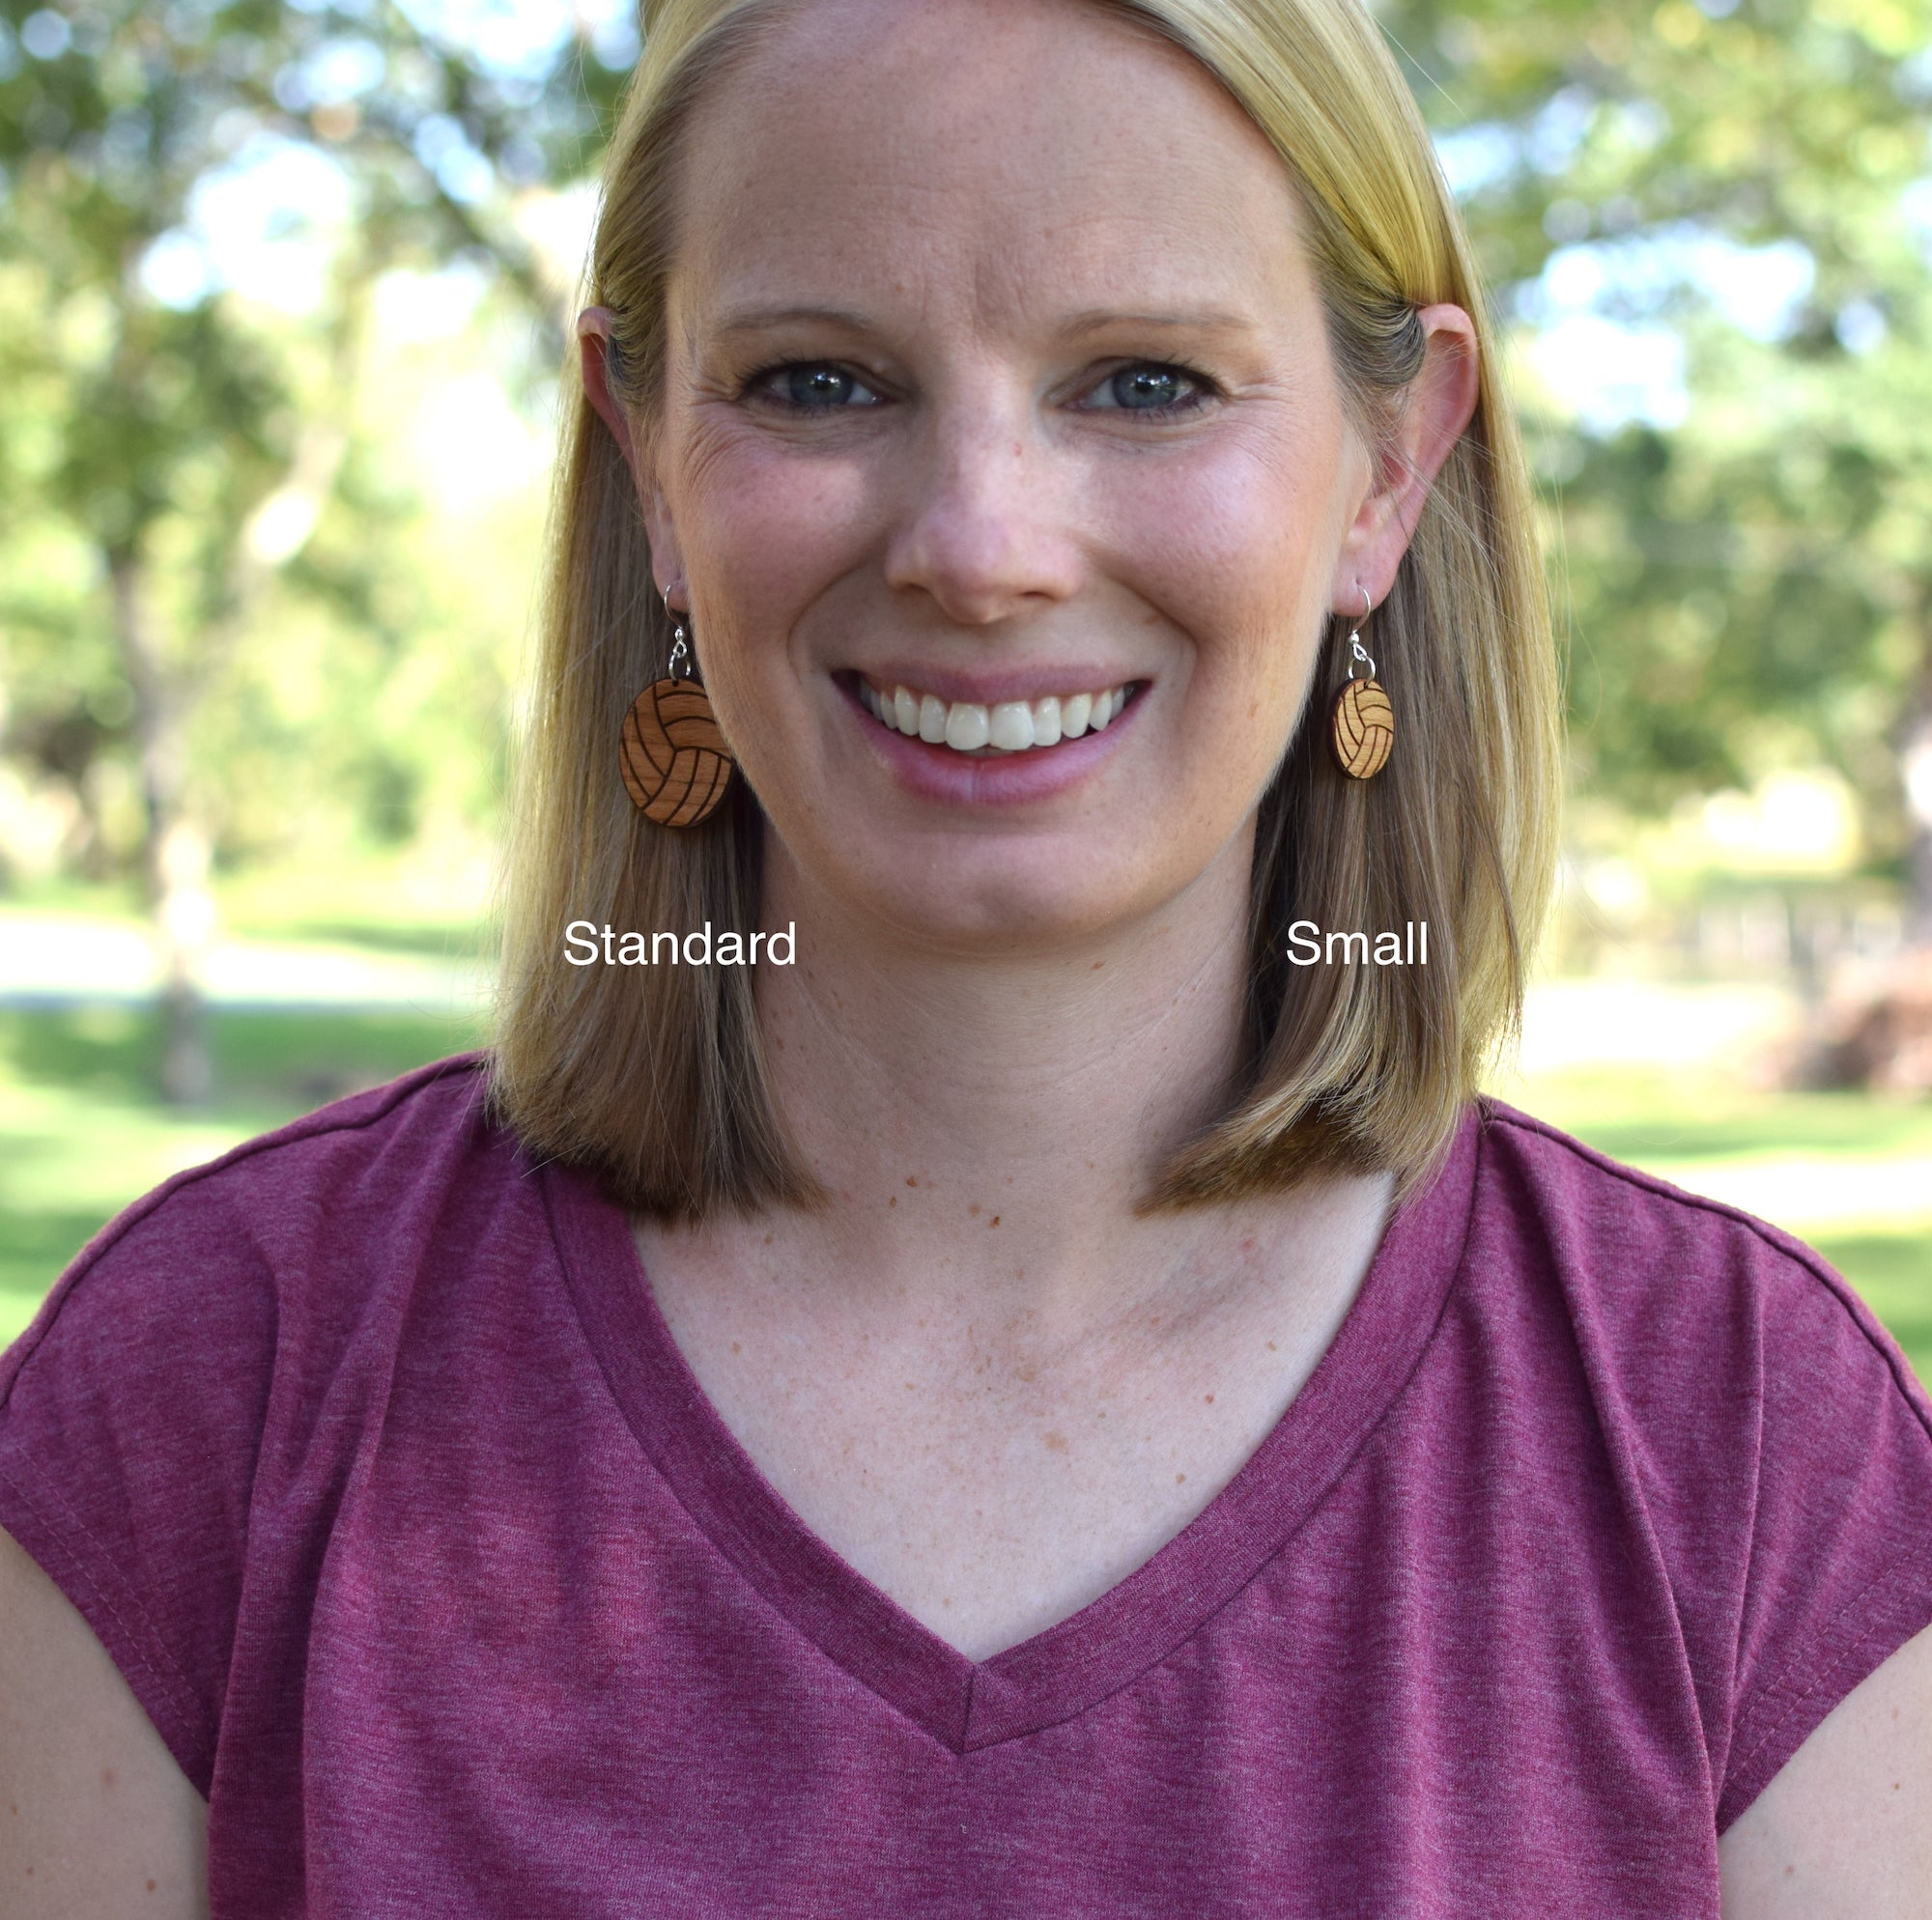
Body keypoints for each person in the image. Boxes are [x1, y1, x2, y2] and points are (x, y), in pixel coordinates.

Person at [3, 0, 1929, 1909]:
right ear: (647, 453)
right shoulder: (206, 1396)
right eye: (822, 383)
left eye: (1146, 382)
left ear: (1388, 463)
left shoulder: (1742, 1453)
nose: (980, 544)